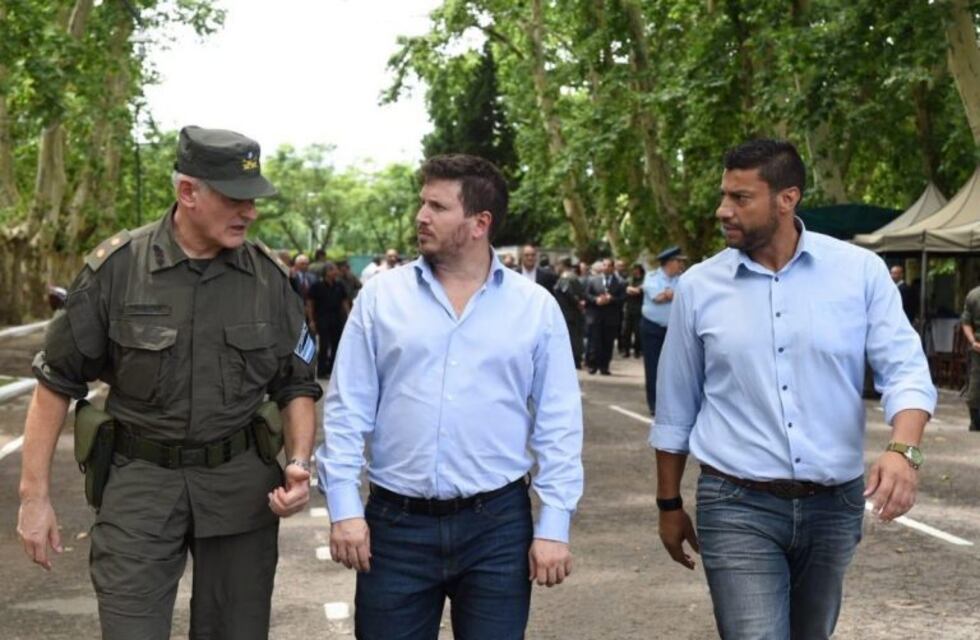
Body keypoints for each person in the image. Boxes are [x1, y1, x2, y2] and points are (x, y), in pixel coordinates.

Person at [16, 125, 322, 639]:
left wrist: (298, 463)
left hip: (239, 487)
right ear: (188, 192)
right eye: (235, 198)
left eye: (254, 199)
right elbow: (56, 383)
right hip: (140, 484)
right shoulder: (118, 269)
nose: (250, 211)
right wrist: (34, 498)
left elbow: (296, 385)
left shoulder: (270, 280)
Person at [651, 139, 935, 639]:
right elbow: (676, 408)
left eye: (741, 198)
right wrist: (669, 505)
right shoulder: (698, 287)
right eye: (724, 196)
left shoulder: (859, 272)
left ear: (787, 198)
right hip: (736, 501)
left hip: (834, 506)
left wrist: (903, 451)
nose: (723, 211)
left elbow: (906, 370)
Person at [317, 153, 583, 639]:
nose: (421, 217)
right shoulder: (381, 298)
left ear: (479, 223)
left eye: (437, 207)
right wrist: (344, 508)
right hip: (394, 527)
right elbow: (347, 407)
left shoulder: (535, 309)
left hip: (497, 528)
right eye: (422, 203)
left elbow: (559, 421)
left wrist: (554, 524)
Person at [638, 247, 686, 415]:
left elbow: (684, 297)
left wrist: (670, 294)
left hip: (673, 329)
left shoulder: (681, 279)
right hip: (652, 328)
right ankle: (655, 404)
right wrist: (670, 294)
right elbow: (657, 297)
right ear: (669, 263)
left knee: (674, 369)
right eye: (678, 261)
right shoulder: (652, 277)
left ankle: (672, 404)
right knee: (653, 367)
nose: (681, 265)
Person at [306, 261, 351, 379]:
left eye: (335, 270)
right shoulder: (317, 286)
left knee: (336, 345)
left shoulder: (339, 285)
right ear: (326, 272)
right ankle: (321, 371)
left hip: (337, 318)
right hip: (322, 318)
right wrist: (311, 321)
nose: (336, 272)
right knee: (324, 345)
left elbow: (344, 302)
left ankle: (332, 370)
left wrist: (349, 316)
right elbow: (310, 304)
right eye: (333, 270)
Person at [583, 257, 625, 375]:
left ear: (612, 267)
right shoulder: (592, 280)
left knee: (608, 343)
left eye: (608, 265)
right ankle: (592, 365)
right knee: (594, 342)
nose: (606, 267)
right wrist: (596, 300)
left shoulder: (620, 282)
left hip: (610, 318)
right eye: (604, 265)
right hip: (595, 316)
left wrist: (611, 299)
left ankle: (604, 366)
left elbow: (622, 299)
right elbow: (586, 295)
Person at [553, 257, 586, 368]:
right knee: (575, 336)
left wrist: (577, 303)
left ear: (562, 265)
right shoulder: (573, 276)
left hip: (568, 313)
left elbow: (569, 294)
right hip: (571, 313)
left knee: (571, 337)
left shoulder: (566, 278)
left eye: (558, 265)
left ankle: (575, 359)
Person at [960, 284, 980, 432]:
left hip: (978, 345)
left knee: (976, 379)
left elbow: (966, 323)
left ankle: (975, 420)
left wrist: (973, 341)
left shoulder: (973, 294)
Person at [621, 263, 646, 359]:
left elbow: (640, 290)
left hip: (639, 309)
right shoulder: (630, 279)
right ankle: (626, 350)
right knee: (626, 331)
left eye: (636, 269)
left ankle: (637, 351)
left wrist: (634, 290)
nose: (634, 271)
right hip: (629, 309)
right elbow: (626, 289)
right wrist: (634, 290)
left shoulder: (644, 279)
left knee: (637, 331)